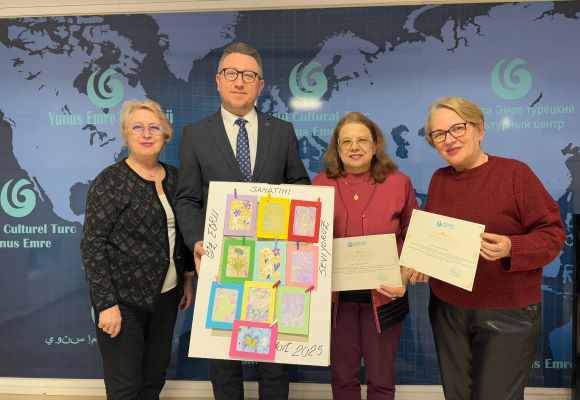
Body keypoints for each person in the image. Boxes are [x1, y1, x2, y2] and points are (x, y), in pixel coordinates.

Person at [174, 42, 310, 400]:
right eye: (231, 73)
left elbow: (300, 187)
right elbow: (187, 198)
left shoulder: (282, 131)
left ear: (260, 85)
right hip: (220, 262)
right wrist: (198, 241)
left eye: (249, 75)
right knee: (223, 360)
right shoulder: (195, 134)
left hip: (272, 263)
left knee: (274, 361)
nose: (239, 82)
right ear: (218, 80)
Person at [423, 96, 566, 400]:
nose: (449, 139)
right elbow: (435, 239)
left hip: (507, 312)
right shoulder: (438, 180)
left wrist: (512, 246)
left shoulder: (516, 174)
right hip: (448, 308)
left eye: (458, 128)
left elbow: (553, 234)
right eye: (439, 134)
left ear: (479, 129)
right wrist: (421, 262)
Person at [81, 99, 195, 400]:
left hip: (166, 299)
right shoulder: (110, 181)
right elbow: (92, 245)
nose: (146, 134)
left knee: (153, 380)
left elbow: (182, 233)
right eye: (137, 127)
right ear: (126, 135)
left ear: (165, 134)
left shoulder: (176, 178)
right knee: (125, 388)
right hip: (123, 304)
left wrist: (187, 277)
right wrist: (106, 304)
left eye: (154, 127)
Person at [312, 112, 421, 400]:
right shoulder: (320, 184)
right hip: (336, 301)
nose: (354, 147)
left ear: (375, 145)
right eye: (346, 141)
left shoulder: (399, 183)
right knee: (342, 378)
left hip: (386, 296)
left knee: (382, 379)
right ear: (337, 147)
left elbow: (415, 239)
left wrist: (405, 276)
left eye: (362, 140)